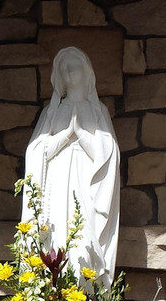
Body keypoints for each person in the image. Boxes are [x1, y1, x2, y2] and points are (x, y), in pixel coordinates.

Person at [22, 46, 120, 286]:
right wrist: (66, 136)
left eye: (74, 66)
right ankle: (53, 290)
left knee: (84, 233)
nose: (69, 72)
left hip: (87, 182)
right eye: (63, 68)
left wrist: (81, 135)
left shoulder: (98, 111)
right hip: (56, 181)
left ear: (86, 71)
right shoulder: (52, 112)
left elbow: (108, 154)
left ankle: (86, 291)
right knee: (56, 232)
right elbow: (36, 151)